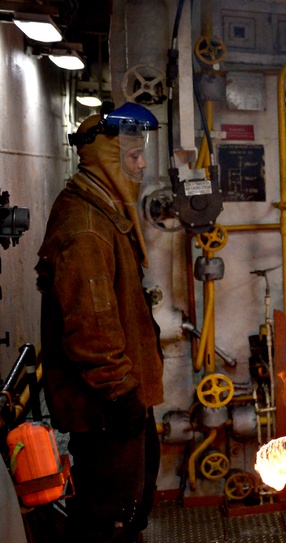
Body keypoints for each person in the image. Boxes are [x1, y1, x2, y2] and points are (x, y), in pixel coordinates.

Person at [36, 103, 163, 543]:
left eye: (142, 153)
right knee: (109, 517)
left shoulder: (103, 210)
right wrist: (122, 390)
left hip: (120, 398)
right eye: (132, 156)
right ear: (105, 159)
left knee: (128, 509)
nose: (142, 164)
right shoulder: (87, 227)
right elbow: (91, 326)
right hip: (107, 407)